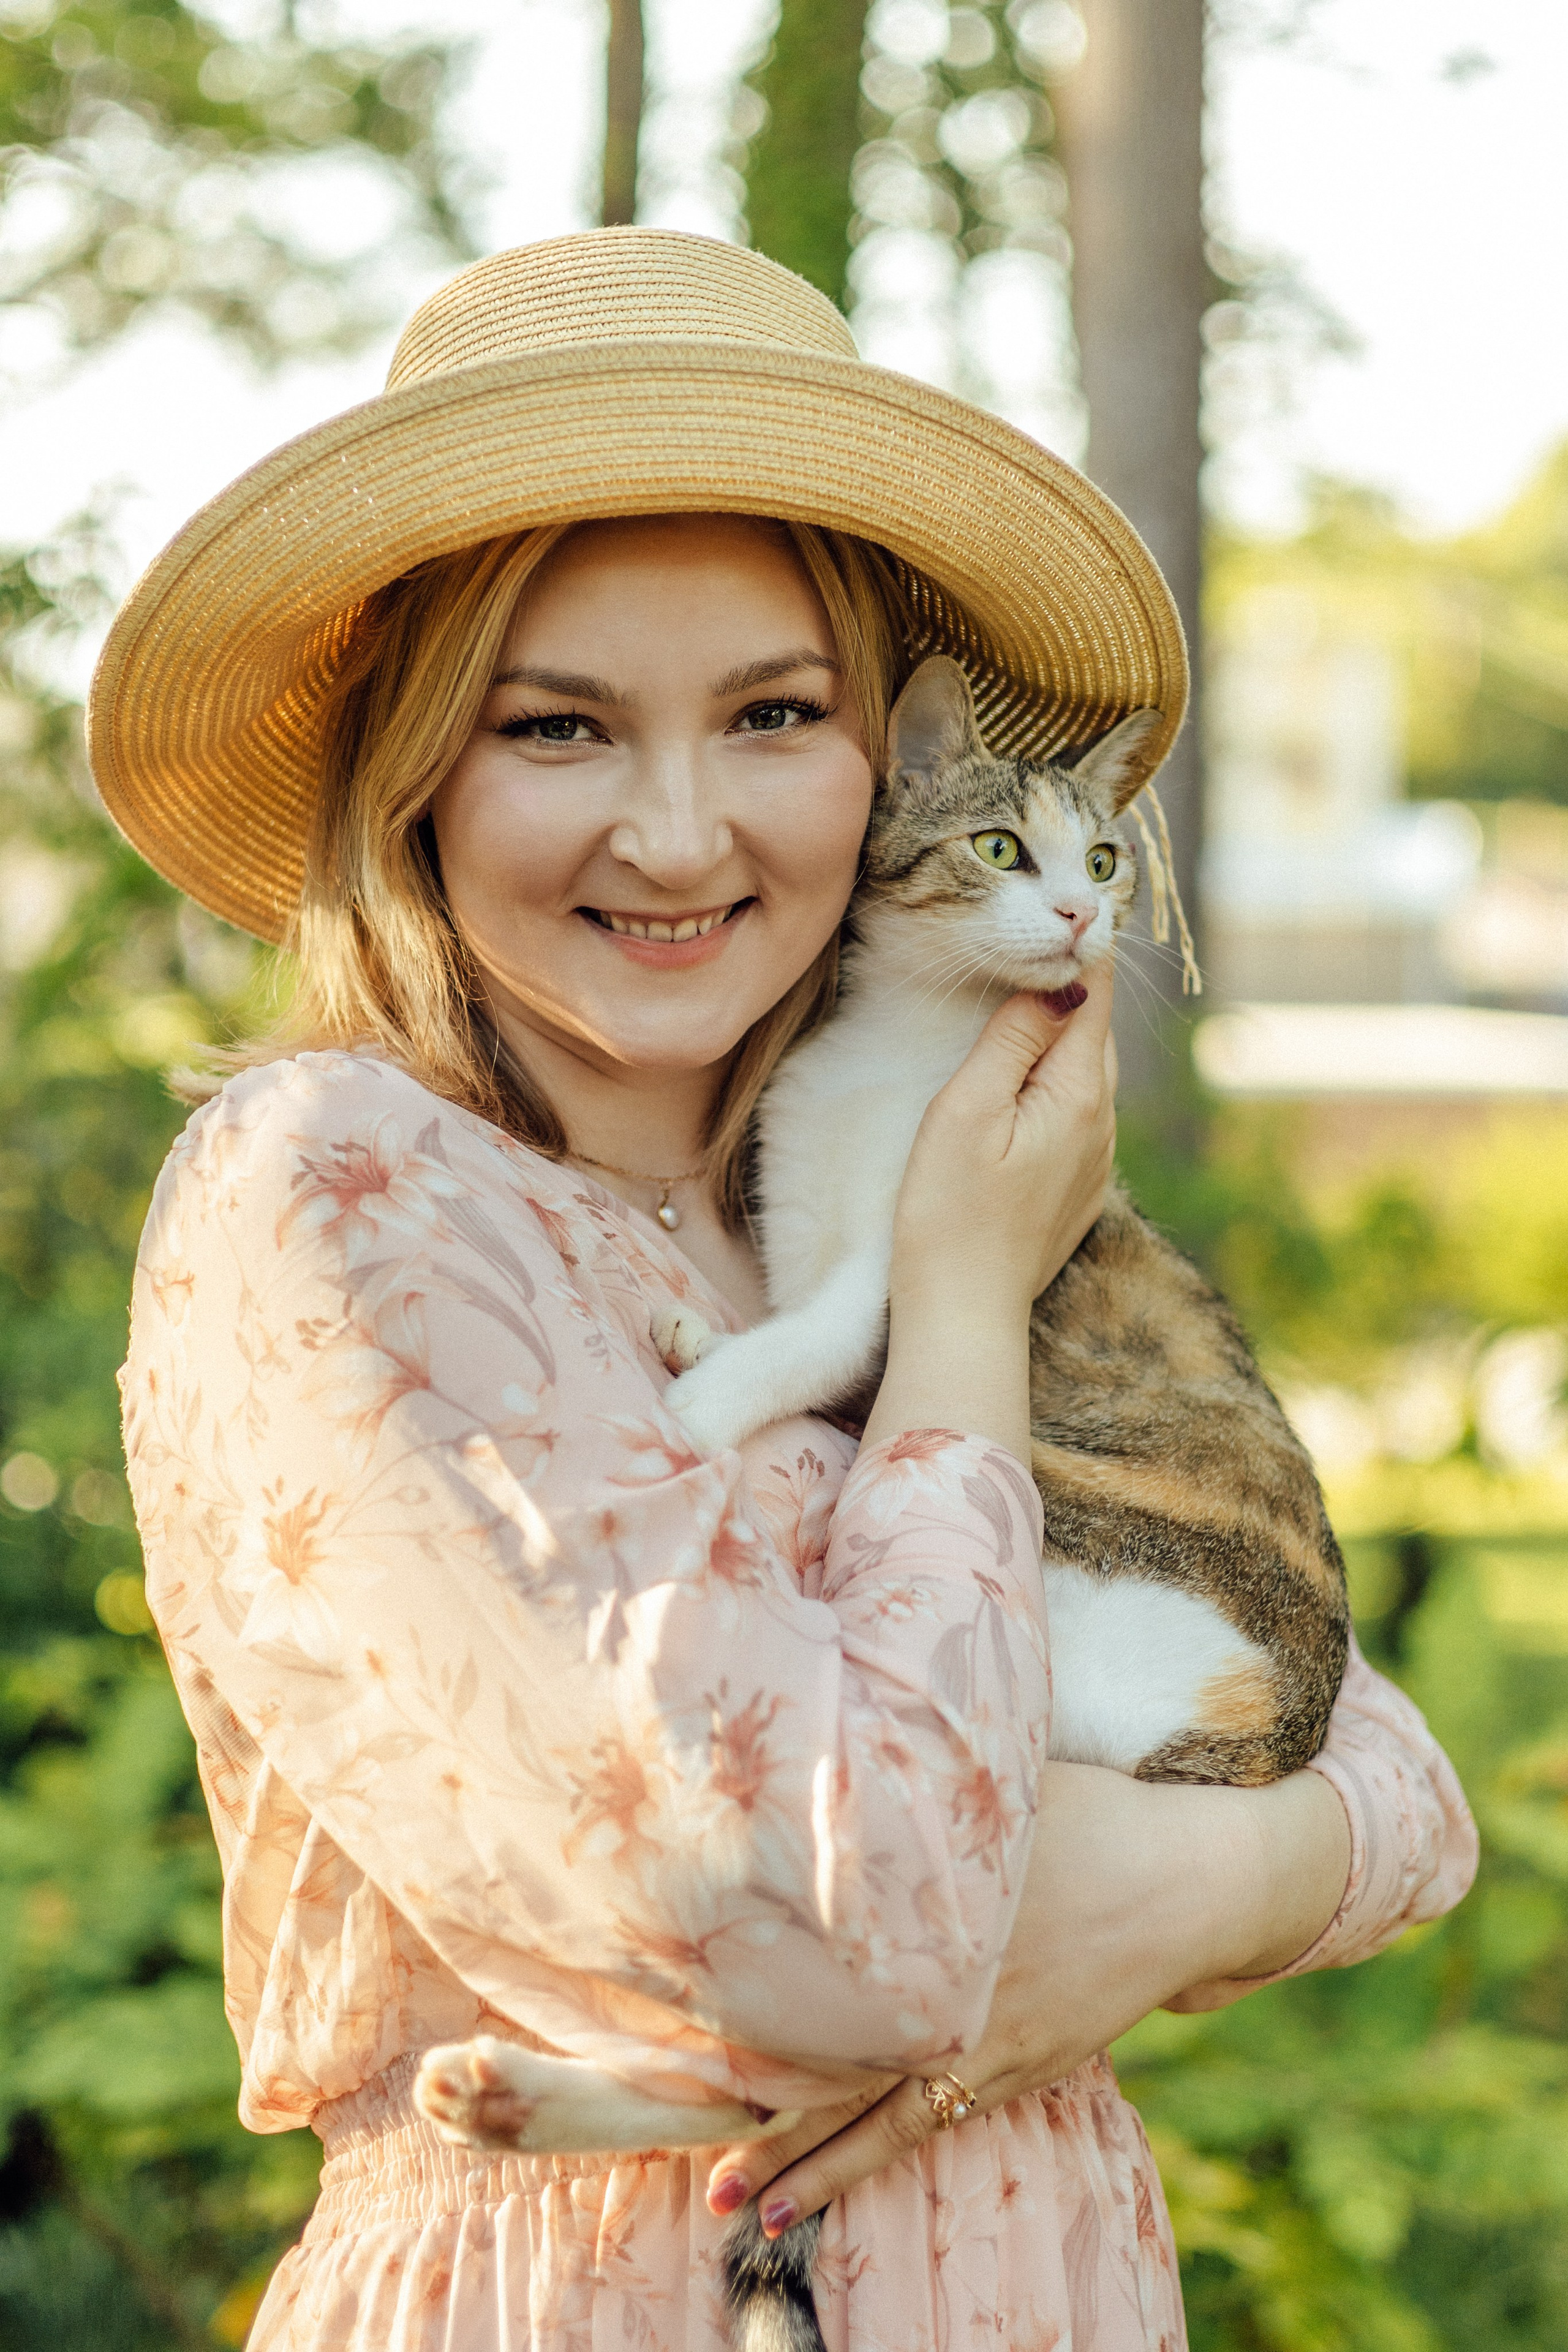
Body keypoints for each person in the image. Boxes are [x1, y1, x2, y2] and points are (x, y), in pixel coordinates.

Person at [99, 232, 1476, 2351]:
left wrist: (1199, 1883)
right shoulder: (347, 1191)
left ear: (888, 765)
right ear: (413, 769)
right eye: (558, 726)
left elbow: (1392, 1774)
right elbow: (851, 1936)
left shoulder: (819, 1185)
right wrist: (952, 1307)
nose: (678, 832)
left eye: (773, 715)